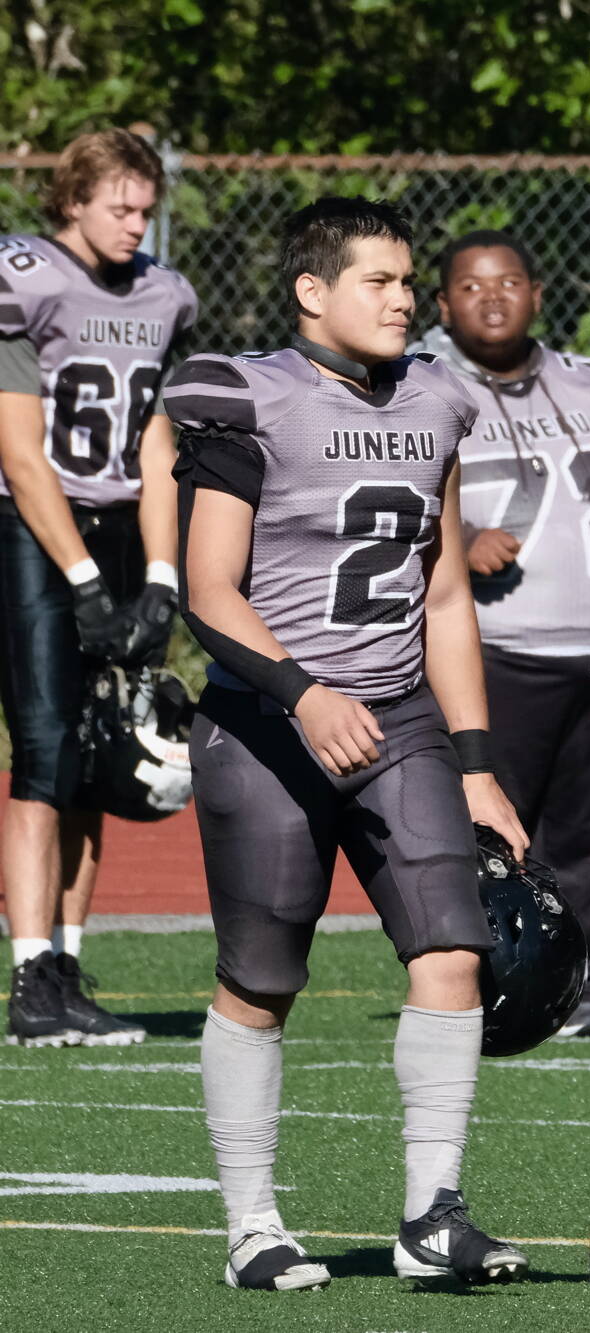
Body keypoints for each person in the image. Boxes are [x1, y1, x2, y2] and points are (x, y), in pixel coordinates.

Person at [164, 197, 532, 1292]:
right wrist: (301, 688)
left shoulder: (438, 397)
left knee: (453, 950)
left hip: (398, 714)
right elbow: (208, 588)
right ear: (312, 292)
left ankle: (432, 1215)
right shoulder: (249, 398)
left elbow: (447, 595)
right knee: (262, 976)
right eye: (378, 280)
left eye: (408, 281)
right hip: (266, 718)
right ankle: (253, 1225)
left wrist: (475, 760)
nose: (404, 299)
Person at [416, 229, 590, 1038]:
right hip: (499, 653)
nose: (492, 297)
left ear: (537, 294)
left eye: (510, 281)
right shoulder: (414, 388)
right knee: (491, 834)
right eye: (472, 286)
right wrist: (462, 533)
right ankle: (487, 985)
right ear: (442, 303)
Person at [0, 128, 198, 1048]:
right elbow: (17, 448)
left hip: (123, 530)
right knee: (42, 753)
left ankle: (68, 969)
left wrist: (161, 574)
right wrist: (79, 577)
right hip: (35, 529)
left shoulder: (163, 295)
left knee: (95, 753)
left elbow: (157, 442)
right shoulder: (26, 274)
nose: (135, 224)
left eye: (145, 208)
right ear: (71, 200)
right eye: (118, 205)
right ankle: (30, 972)